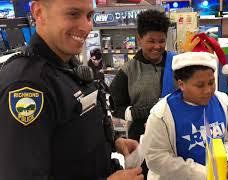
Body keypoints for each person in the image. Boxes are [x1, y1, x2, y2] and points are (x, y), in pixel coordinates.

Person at [0, 0, 143, 179]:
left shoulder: (66, 64)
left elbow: (69, 135)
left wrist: (114, 142)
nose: (87, 26)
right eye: (73, 14)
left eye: (89, 16)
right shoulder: (26, 85)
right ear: (39, 13)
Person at [142, 33, 228, 180]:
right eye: (199, 85)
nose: (208, 90)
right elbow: (157, 159)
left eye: (211, 82)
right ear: (181, 84)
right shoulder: (161, 114)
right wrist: (207, 174)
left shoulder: (222, 101)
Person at [109, 9, 175, 179]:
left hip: (173, 137)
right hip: (140, 140)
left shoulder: (176, 64)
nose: (157, 46)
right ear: (139, 39)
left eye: (162, 41)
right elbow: (116, 109)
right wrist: (141, 112)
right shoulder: (127, 72)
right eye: (151, 41)